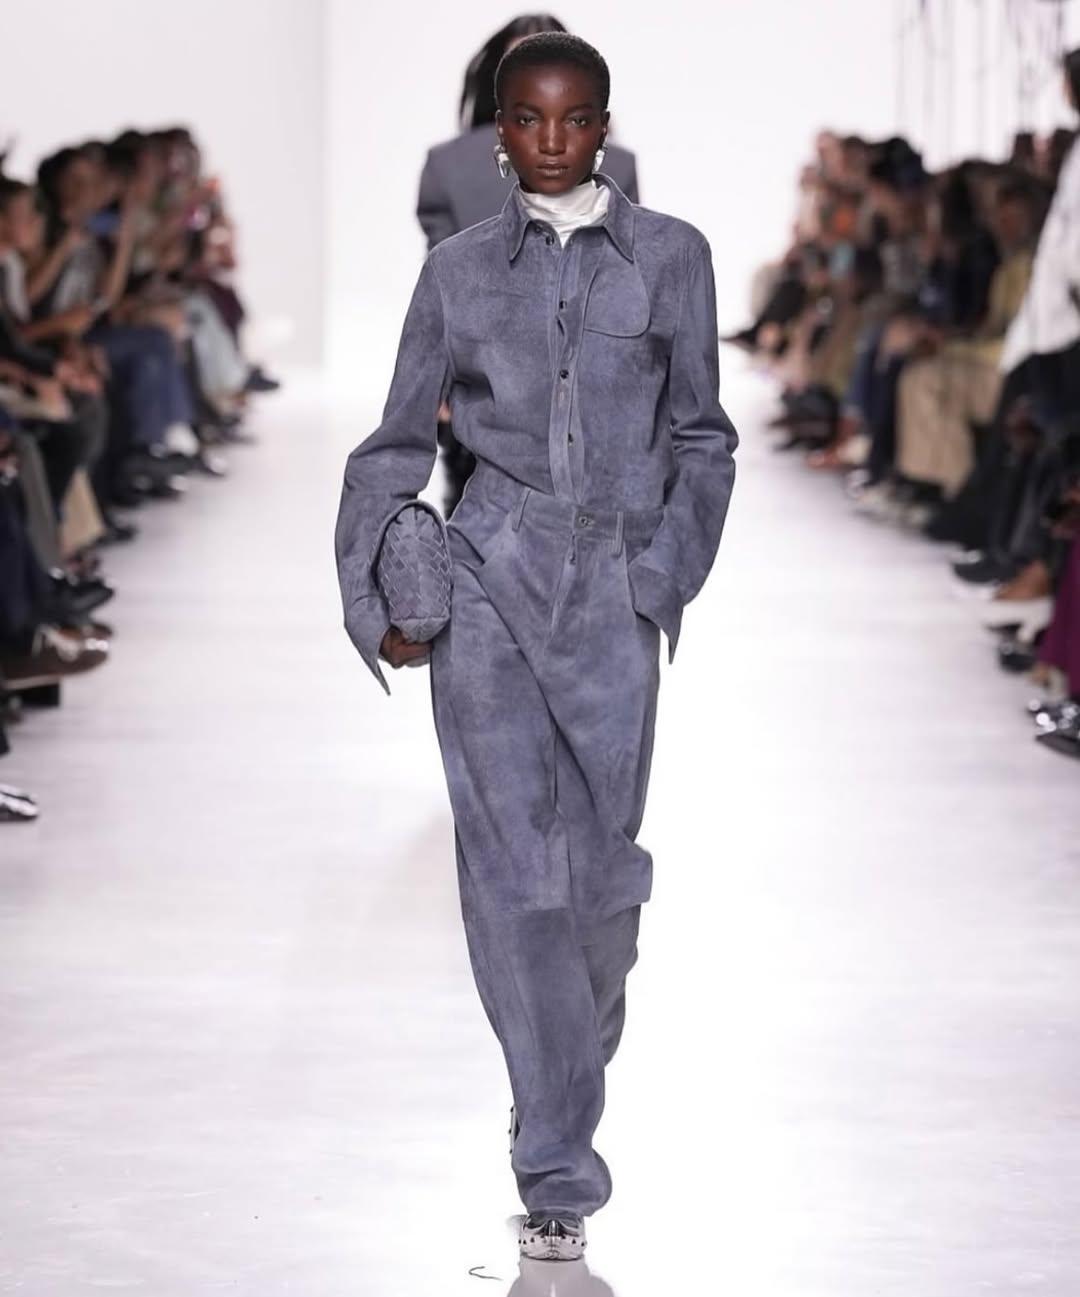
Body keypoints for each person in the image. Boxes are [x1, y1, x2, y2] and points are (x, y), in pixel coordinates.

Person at [335, 32, 737, 1262]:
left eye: (574, 119)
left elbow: (705, 435)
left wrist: (662, 580)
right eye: (528, 119)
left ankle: (557, 1063)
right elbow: (393, 444)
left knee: (602, 889)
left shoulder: (675, 258)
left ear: (604, 125)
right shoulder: (457, 272)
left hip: (614, 587)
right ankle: (557, 1162)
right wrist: (381, 592)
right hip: (490, 578)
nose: (552, 141)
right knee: (517, 881)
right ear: (497, 131)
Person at [417, 14, 640, 515]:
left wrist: (438, 379)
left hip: (483, 378)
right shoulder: (618, 164)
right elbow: (623, 282)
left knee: (475, 515)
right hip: (580, 377)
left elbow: (442, 288)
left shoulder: (445, 165)